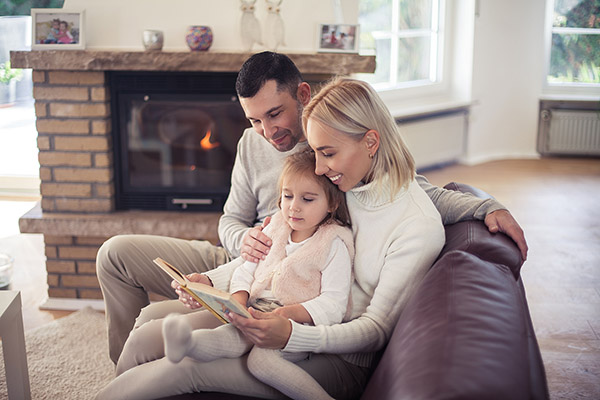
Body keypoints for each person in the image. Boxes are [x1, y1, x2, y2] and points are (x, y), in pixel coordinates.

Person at [96, 51, 527, 372]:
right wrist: (242, 241)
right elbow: (229, 219)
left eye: (275, 114)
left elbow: (413, 192)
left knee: (159, 326)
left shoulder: (343, 149)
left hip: (296, 274)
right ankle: (125, 364)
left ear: (302, 95)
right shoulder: (252, 145)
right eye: (254, 121)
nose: (267, 131)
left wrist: (488, 206)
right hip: (245, 259)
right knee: (114, 255)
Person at [161, 149, 353, 400]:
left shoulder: (333, 244)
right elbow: (246, 269)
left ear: (332, 204)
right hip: (255, 310)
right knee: (227, 336)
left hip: (294, 323)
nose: (294, 207)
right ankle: (187, 345)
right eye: (287, 196)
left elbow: (334, 303)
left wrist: (286, 314)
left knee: (260, 361)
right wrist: (239, 299)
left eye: (307, 199)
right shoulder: (275, 229)